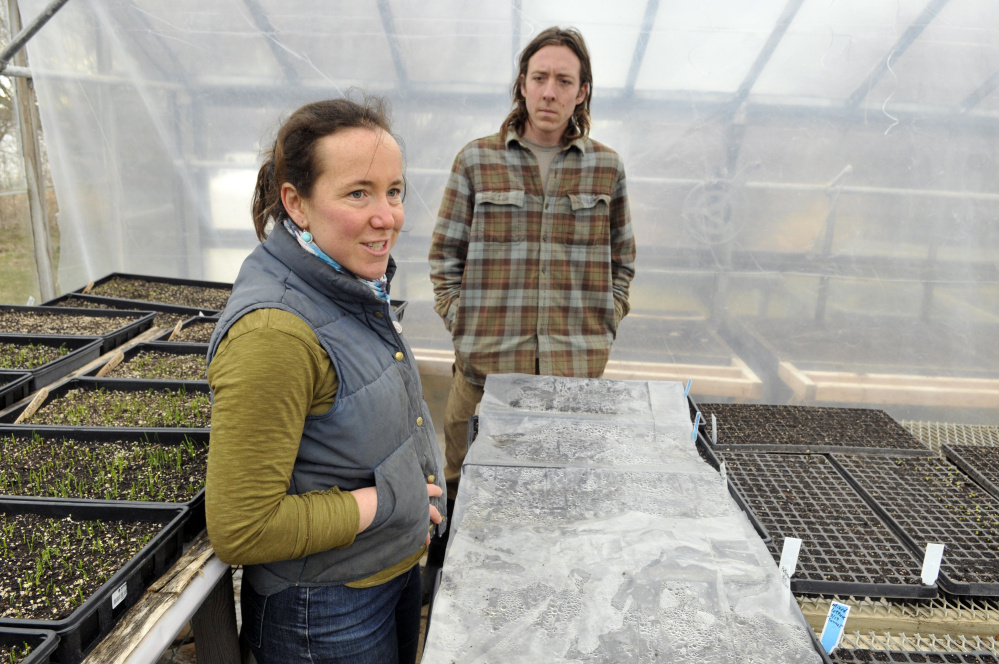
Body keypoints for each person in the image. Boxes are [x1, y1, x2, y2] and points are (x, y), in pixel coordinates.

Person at [206, 95, 446, 664]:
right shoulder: (276, 335)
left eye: (394, 191)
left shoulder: (349, 284)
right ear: (297, 204)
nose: (386, 215)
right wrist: (393, 499)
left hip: (381, 575)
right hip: (327, 613)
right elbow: (243, 528)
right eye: (358, 192)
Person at [426, 26, 636, 591]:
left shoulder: (605, 169)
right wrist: (462, 323)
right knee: (468, 484)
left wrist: (604, 324)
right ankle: (460, 588)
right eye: (539, 77)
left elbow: (623, 261)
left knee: (559, 496)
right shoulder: (477, 161)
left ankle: (543, 596)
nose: (549, 91)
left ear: (582, 92)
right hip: (486, 372)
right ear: (522, 84)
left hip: (572, 378)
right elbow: (445, 254)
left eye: (563, 80)